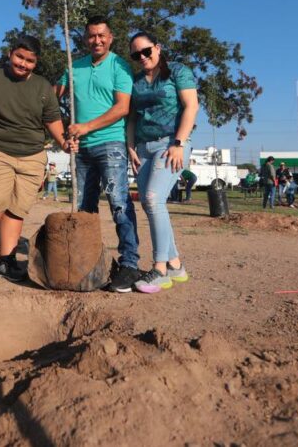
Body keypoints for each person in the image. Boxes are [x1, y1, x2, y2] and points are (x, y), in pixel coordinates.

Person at [0, 35, 69, 291]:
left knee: (16, 208)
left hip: (33, 155)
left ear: (36, 62)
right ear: (11, 54)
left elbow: (52, 119)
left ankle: (7, 261)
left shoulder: (43, 87)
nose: (23, 63)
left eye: (29, 61)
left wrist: (65, 143)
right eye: (19, 57)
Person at [56, 16, 140, 293]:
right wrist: (62, 131)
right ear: (85, 39)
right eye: (91, 36)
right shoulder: (74, 66)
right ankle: (87, 261)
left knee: (118, 203)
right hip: (80, 149)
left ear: (111, 37)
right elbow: (51, 98)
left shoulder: (120, 66)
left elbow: (122, 108)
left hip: (110, 144)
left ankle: (129, 263)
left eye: (102, 35)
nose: (97, 40)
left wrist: (85, 126)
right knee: (83, 207)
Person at [125, 32, 199, 293]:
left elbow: (191, 106)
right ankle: (176, 264)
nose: (142, 58)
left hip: (171, 144)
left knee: (154, 198)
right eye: (136, 55)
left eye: (146, 51)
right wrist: (130, 145)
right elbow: (132, 118)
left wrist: (179, 143)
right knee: (148, 203)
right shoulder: (135, 81)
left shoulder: (177, 71)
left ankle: (159, 269)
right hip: (143, 148)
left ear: (157, 47)